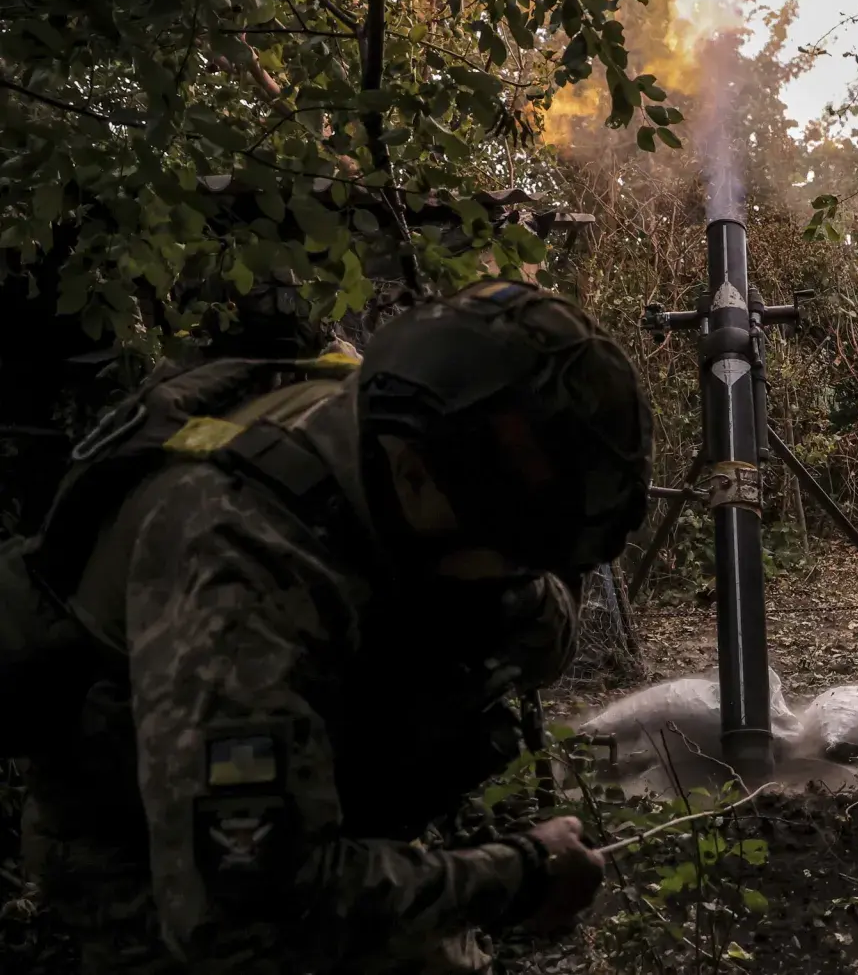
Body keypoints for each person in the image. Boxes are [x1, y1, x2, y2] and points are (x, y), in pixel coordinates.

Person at [16, 278, 652, 974]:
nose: (522, 580)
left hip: (308, 807)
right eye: (511, 556)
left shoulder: (409, 434)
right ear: (414, 478)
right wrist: (516, 875)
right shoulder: (245, 574)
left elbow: (531, 622)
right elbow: (244, 919)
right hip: (158, 876)